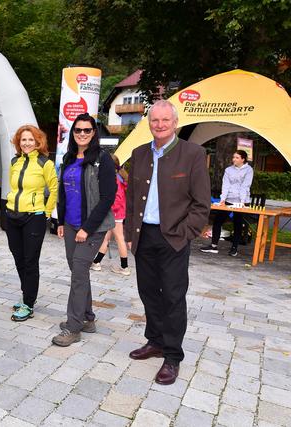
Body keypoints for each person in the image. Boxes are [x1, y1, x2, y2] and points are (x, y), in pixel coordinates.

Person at [124, 100, 210, 385]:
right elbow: (133, 197)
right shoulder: (139, 154)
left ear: (175, 122)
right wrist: (128, 231)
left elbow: (201, 204)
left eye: (164, 120)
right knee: (148, 292)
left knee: (173, 296)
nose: (159, 125)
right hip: (143, 236)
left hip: (173, 237)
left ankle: (172, 356)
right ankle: (156, 340)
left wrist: (185, 233)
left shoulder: (193, 154)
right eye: (154, 121)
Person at [52, 113, 116, 347]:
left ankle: (73, 327)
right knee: (78, 271)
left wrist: (87, 229)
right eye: (78, 130)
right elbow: (63, 192)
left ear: (94, 132)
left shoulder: (102, 159)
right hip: (70, 224)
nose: (81, 134)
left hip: (92, 227)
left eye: (86, 130)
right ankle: (87, 318)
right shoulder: (68, 158)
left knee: (79, 273)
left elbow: (108, 197)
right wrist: (59, 222)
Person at [4, 125, 58, 321]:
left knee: (30, 261)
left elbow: (54, 189)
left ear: (38, 142)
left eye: (30, 140)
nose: (26, 143)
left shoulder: (46, 163)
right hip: (12, 215)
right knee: (18, 259)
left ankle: (29, 303)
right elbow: (13, 185)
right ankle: (26, 296)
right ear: (19, 142)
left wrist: (46, 212)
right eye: (23, 140)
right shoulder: (15, 161)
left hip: (34, 217)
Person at [200, 150, 253, 256]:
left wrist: (242, 201)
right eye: (234, 157)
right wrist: (222, 199)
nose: (234, 159)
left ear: (243, 159)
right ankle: (213, 246)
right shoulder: (228, 170)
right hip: (228, 199)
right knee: (218, 221)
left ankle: (234, 248)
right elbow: (226, 185)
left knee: (237, 223)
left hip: (241, 201)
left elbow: (245, 186)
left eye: (237, 157)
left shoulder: (249, 170)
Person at [91, 153, 130, 275]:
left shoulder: (115, 179)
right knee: (106, 238)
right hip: (117, 213)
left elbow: (116, 199)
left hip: (114, 213)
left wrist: (108, 209)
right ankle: (97, 262)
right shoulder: (120, 177)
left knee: (118, 238)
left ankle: (124, 267)